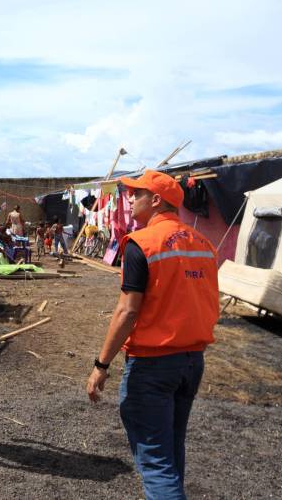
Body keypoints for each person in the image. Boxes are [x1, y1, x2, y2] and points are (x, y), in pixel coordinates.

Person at [85, 170, 219, 500]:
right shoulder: (204, 244)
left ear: (156, 200)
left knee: (156, 462)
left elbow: (128, 311)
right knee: (171, 450)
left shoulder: (143, 244)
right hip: (191, 363)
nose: (129, 199)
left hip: (153, 366)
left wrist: (101, 364)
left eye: (136, 193)